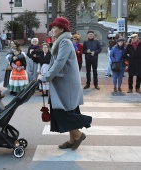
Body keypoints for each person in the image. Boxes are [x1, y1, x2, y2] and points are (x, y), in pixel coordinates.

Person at [38, 17, 92, 150]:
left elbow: (58, 63)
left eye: (54, 28)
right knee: (66, 111)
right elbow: (54, 62)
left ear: (61, 29)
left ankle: (78, 135)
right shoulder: (59, 42)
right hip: (62, 84)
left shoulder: (65, 43)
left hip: (66, 85)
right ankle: (72, 139)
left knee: (62, 113)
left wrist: (45, 78)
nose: (51, 30)